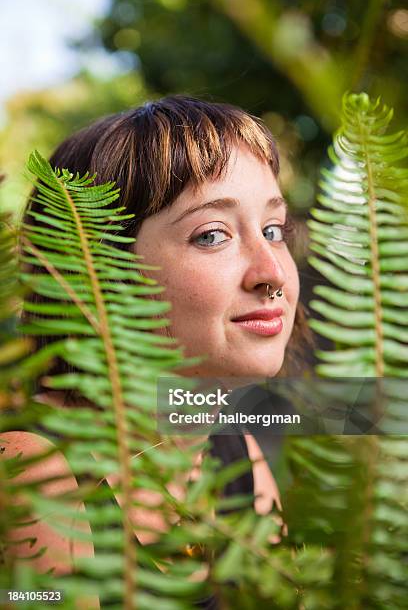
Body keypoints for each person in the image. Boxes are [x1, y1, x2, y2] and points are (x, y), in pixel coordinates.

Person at [1, 96, 311, 606]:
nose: (272, 272)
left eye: (273, 230)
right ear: (98, 275)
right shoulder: (35, 473)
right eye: (213, 235)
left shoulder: (238, 456)